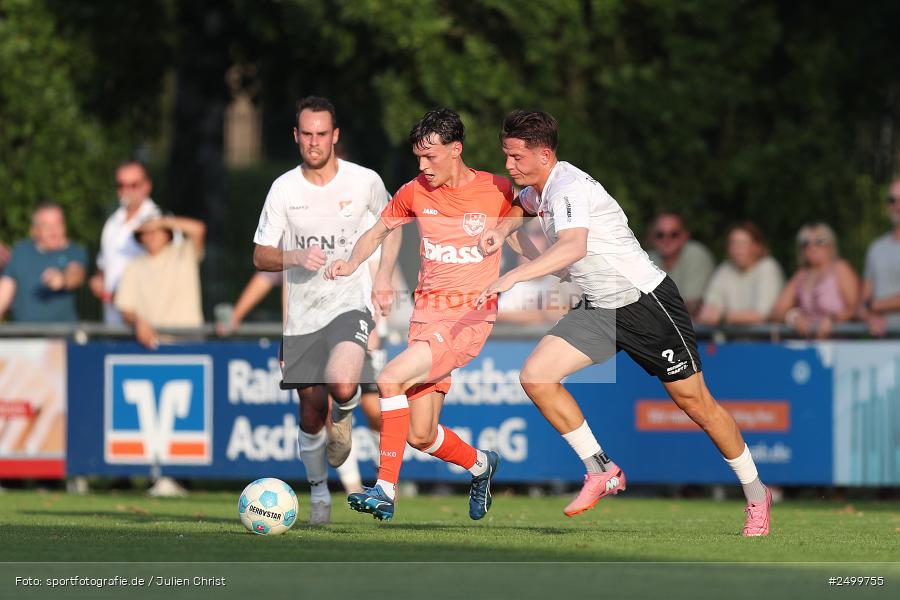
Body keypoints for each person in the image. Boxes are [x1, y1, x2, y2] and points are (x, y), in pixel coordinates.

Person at [477, 110, 772, 536]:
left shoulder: (568, 188)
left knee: (697, 406)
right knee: (537, 377)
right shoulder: (538, 190)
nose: (509, 166)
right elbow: (519, 210)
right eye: (506, 155)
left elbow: (573, 247)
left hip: (647, 304)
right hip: (600, 308)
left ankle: (757, 495)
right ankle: (602, 470)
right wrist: (498, 232)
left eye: (517, 157)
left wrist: (515, 274)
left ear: (544, 154)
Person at [325, 107, 512, 522]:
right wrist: (354, 265)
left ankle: (385, 491)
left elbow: (529, 214)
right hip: (426, 321)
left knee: (389, 378)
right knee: (420, 434)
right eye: (418, 158)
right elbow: (377, 232)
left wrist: (532, 258)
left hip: (467, 321)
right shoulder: (414, 191)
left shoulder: (498, 189)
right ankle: (482, 465)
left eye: (431, 157)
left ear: (456, 150)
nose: (423, 166)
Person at [252, 96, 400, 525]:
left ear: (335, 136)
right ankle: (319, 495)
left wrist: (384, 277)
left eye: (322, 134)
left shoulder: (364, 181)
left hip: (350, 303)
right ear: (296, 136)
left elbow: (394, 224)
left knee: (341, 380)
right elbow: (260, 256)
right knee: (310, 412)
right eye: (306, 135)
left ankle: (346, 411)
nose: (314, 143)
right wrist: (295, 257)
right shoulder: (284, 188)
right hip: (303, 315)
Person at [115, 214, 206, 349]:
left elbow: (199, 229)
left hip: (189, 341)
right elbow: (126, 309)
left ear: (167, 234)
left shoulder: (184, 253)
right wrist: (139, 322)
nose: (151, 235)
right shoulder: (133, 266)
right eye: (145, 232)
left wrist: (162, 222)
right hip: (153, 344)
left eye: (156, 230)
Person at [90, 161, 161, 325]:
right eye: (120, 185)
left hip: (147, 321)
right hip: (113, 320)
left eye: (133, 185)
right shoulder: (112, 222)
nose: (126, 190)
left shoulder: (159, 221)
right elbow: (103, 265)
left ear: (147, 186)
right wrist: (99, 279)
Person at [0, 203, 87, 323]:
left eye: (58, 224)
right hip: (25, 336)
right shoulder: (21, 251)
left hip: (61, 337)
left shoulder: (74, 251)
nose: (54, 230)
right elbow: (5, 291)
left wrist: (63, 280)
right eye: (47, 225)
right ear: (34, 230)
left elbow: (76, 274)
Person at [770, 223, 859, 339]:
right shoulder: (801, 275)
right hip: (810, 347)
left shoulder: (840, 269)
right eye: (806, 243)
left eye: (820, 241)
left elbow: (855, 308)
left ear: (830, 245)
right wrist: (793, 317)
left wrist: (833, 318)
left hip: (839, 347)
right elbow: (776, 311)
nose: (813, 247)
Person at [697, 222, 784, 326]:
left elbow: (762, 314)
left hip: (764, 340)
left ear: (757, 247)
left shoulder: (768, 267)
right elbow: (711, 306)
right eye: (733, 243)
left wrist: (723, 316)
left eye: (743, 244)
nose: (737, 249)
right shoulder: (724, 269)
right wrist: (711, 313)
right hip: (731, 340)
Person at [647, 212, 714, 316]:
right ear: (652, 237)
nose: (666, 240)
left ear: (685, 236)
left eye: (674, 234)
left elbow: (691, 306)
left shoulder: (695, 254)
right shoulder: (647, 259)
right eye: (660, 235)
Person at [860, 180, 900, 336]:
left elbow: (868, 303)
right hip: (882, 346)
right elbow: (863, 299)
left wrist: (873, 306)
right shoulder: (876, 248)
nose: (897, 205)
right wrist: (869, 317)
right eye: (892, 200)